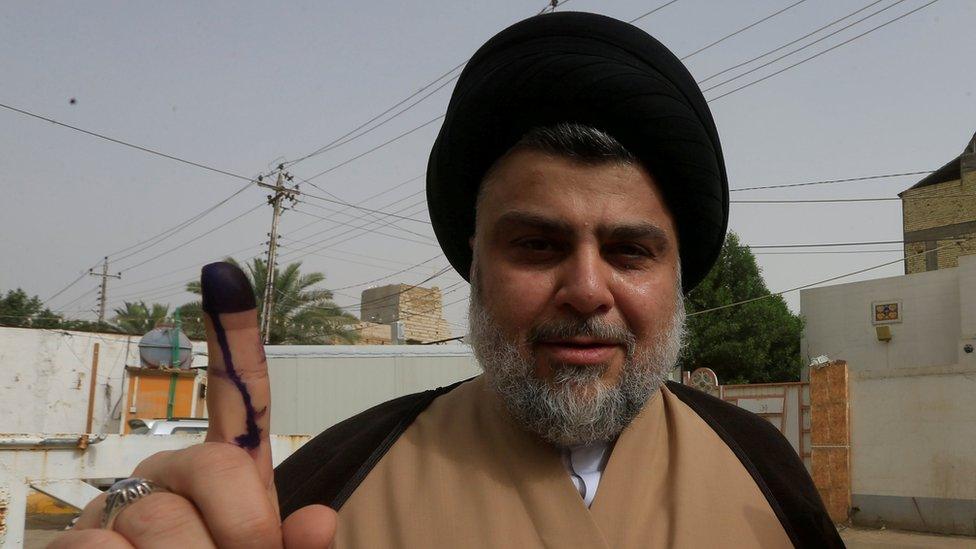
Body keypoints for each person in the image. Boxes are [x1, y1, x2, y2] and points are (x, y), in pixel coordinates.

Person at [53, 12, 842, 549]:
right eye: (537, 245)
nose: (587, 289)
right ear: (475, 263)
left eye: (631, 252)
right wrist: (132, 508)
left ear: (676, 276)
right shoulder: (327, 485)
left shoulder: (764, 471)